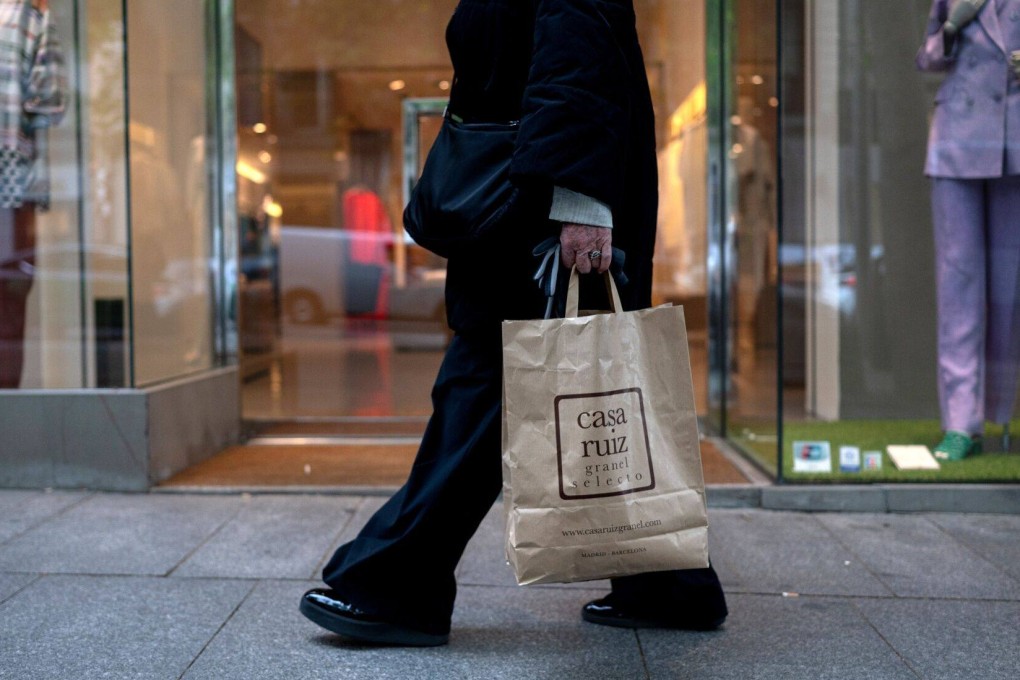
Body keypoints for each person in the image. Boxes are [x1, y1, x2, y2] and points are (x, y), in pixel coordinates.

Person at [299, 0, 728, 646]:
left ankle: (399, 584)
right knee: (566, 385)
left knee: (487, 387)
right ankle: (668, 584)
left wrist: (581, 200)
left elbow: (581, 39)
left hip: (539, 207)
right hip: (526, 192)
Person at [916, 0, 1020, 461]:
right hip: (958, 140)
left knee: (1009, 290)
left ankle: (1000, 411)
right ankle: (961, 422)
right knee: (958, 286)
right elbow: (927, 58)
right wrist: (952, 27)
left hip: (1014, 139)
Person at [0, 0, 65, 388]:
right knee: (8, 305)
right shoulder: (29, 16)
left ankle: (6, 409)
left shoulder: (30, 14)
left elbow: (49, 103)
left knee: (9, 302)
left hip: (12, 185)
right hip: (13, 181)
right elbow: (48, 101)